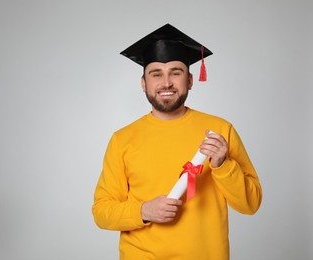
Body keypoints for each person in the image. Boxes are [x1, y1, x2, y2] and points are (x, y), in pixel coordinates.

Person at [92, 23, 262, 260]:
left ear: (190, 80)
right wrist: (143, 211)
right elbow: (101, 212)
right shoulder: (123, 139)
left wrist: (223, 165)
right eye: (156, 74)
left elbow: (250, 204)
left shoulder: (219, 131)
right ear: (144, 83)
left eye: (176, 72)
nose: (167, 83)